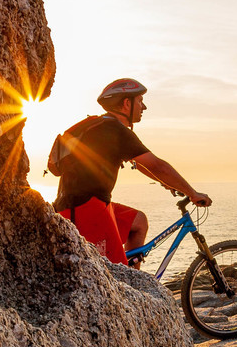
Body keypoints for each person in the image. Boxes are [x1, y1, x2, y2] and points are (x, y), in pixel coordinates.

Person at [47, 78, 211, 267]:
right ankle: (127, 282)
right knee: (112, 273)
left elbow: (140, 163)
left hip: (83, 204)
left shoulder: (100, 126)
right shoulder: (116, 131)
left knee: (138, 222)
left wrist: (168, 183)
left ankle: (135, 278)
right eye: (140, 101)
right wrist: (192, 193)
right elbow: (157, 166)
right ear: (126, 103)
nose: (144, 107)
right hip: (87, 210)